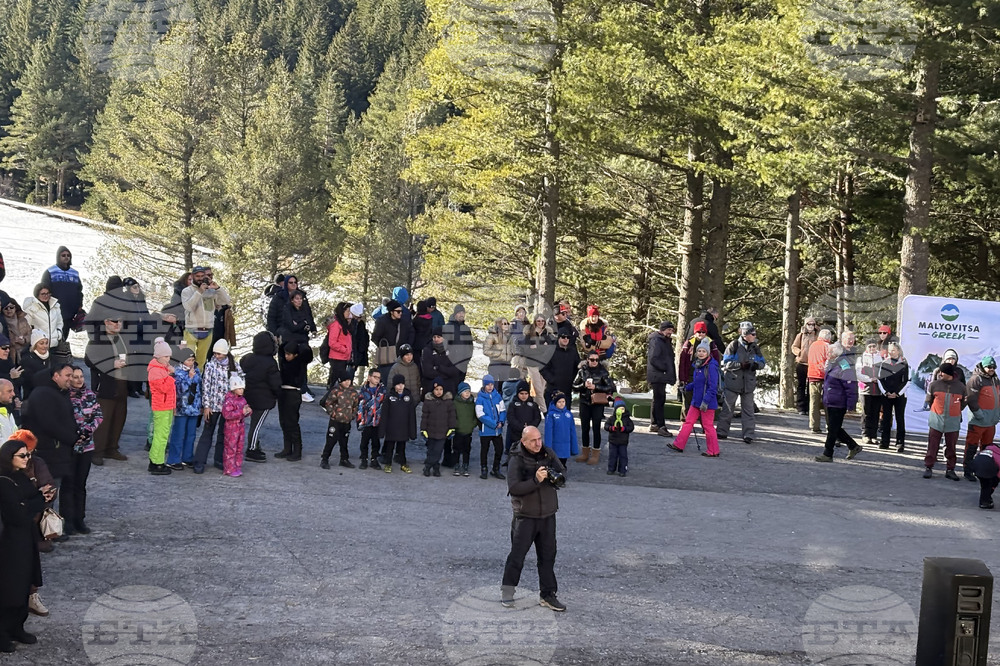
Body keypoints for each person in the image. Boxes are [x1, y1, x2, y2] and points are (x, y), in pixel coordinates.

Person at [501, 425, 566, 612]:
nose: (538, 443)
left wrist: (555, 477)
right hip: (525, 516)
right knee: (517, 557)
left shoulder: (548, 453)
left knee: (548, 557)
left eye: (539, 439)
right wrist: (536, 480)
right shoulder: (516, 459)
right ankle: (507, 592)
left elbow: (563, 473)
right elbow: (514, 488)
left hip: (548, 515)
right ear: (524, 441)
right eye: (533, 441)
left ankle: (548, 595)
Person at [0, 438, 56, 652]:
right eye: (22, 455)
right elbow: (17, 514)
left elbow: (30, 501)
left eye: (28, 455)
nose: (27, 459)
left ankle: (17, 627)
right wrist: (37, 500)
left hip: (25, 539)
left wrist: (42, 497)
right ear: (9, 457)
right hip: (9, 543)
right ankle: (3, 632)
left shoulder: (19, 477)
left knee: (24, 583)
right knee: (9, 587)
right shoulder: (4, 481)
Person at [21, 364, 76, 506]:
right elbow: (50, 424)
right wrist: (72, 438)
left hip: (57, 452)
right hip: (49, 453)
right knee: (47, 496)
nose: (71, 379)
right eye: (68, 376)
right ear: (55, 376)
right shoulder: (43, 395)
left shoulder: (58, 393)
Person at [85, 314, 130, 466]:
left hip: (122, 381)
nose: (118, 324)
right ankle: (97, 451)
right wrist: (111, 363)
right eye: (115, 321)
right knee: (103, 419)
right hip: (105, 384)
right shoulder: (97, 338)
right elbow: (89, 359)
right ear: (106, 322)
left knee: (119, 417)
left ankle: (112, 448)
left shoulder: (122, 337)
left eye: (120, 321)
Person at [667, 339, 721, 457]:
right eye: (699, 351)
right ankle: (678, 444)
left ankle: (713, 451)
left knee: (708, 426)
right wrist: (687, 387)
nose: (701, 353)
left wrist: (706, 401)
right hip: (696, 401)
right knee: (688, 422)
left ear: (708, 353)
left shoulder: (711, 366)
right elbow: (697, 383)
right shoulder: (698, 365)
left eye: (703, 351)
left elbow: (713, 387)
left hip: (707, 403)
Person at [65, 366, 102, 535]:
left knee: (81, 484)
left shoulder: (90, 395)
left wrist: (87, 431)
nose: (79, 380)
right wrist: (75, 434)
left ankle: (80, 519)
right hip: (70, 446)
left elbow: (98, 416)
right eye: (75, 377)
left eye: (81, 376)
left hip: (87, 446)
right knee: (68, 484)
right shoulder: (64, 396)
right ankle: (68, 521)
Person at [813, 343, 863, 463]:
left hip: (838, 402)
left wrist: (851, 404)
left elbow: (850, 386)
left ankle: (828, 453)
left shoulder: (844, 365)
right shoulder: (833, 363)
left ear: (836, 353)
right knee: (833, 427)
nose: (827, 354)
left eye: (829, 352)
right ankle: (853, 446)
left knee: (832, 429)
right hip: (830, 400)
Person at [193, 339, 237, 473]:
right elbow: (206, 387)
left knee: (224, 433)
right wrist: (206, 406)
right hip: (213, 406)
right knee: (207, 433)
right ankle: (199, 461)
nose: (217, 356)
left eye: (220, 354)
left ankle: (219, 459)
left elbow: (240, 382)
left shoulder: (233, 365)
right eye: (215, 353)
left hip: (228, 406)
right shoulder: (211, 366)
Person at [717, 322, 766, 444]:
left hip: (748, 385)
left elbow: (762, 363)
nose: (755, 336)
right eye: (752, 334)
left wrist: (755, 365)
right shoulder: (733, 345)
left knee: (748, 411)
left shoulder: (755, 347)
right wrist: (739, 365)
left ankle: (748, 434)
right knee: (727, 409)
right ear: (745, 334)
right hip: (733, 382)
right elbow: (725, 363)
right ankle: (721, 432)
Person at [239, 331, 281, 463]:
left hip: (248, 397)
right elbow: (275, 383)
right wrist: (278, 395)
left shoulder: (247, 358)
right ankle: (252, 450)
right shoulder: (270, 363)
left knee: (253, 424)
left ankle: (255, 446)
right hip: (264, 400)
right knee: (256, 426)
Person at [181, 266, 231, 370]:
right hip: (191, 329)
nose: (200, 278)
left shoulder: (211, 292)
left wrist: (217, 288)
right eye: (197, 276)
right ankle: (186, 383)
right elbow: (189, 307)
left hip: (207, 329)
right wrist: (199, 291)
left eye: (202, 276)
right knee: (187, 359)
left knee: (201, 362)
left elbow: (226, 301)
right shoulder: (187, 291)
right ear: (193, 277)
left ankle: (198, 383)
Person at [923, 362, 967, 480]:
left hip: (953, 421)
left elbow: (964, 402)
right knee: (932, 445)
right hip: (936, 420)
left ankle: (950, 469)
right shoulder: (934, 385)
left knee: (951, 447)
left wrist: (956, 410)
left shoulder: (961, 387)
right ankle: (928, 467)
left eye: (943, 372)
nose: (940, 374)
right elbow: (929, 400)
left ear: (949, 374)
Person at [572, 352, 615, 466]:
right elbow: (574, 386)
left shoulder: (603, 371)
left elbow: (611, 387)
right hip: (584, 402)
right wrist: (583, 386)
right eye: (592, 359)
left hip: (597, 403)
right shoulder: (582, 371)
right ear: (587, 360)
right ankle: (585, 453)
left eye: (596, 359)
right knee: (584, 428)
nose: (594, 362)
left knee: (596, 428)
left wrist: (596, 387)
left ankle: (596, 453)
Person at [964, 356, 1000, 481]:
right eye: (989, 367)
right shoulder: (975, 379)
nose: (991, 369)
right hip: (978, 421)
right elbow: (971, 399)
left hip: (990, 422)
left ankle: (983, 470)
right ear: (983, 367)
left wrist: (997, 414)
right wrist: (979, 415)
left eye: (993, 367)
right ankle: (968, 470)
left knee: (987, 448)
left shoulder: (995, 379)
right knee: (972, 446)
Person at [277, 341, 313, 462]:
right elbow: (281, 351)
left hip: (293, 393)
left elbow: (307, 353)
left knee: (292, 422)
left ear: (295, 355)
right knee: (283, 421)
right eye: (286, 354)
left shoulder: (299, 363)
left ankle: (297, 451)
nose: (287, 356)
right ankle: (287, 448)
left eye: (290, 354)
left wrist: (298, 342)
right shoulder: (283, 362)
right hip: (283, 392)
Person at [166, 348, 201, 470]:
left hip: (194, 407)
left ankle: (187, 457)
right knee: (178, 433)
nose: (191, 363)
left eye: (192, 360)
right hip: (182, 407)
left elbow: (199, 386)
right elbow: (180, 389)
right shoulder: (178, 372)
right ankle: (173, 459)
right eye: (188, 360)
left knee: (191, 434)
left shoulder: (197, 370)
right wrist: (190, 378)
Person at [39, 246, 83, 341]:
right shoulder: (50, 271)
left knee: (64, 336)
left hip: (69, 312)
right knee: (53, 336)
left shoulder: (75, 273)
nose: (66, 257)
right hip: (54, 310)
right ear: (58, 257)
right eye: (63, 255)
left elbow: (79, 291)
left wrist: (79, 305)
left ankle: (61, 354)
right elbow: (43, 289)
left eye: (68, 255)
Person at [678, 321, 722, 414]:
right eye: (699, 332)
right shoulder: (689, 343)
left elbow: (716, 360)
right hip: (690, 374)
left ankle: (704, 424)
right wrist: (682, 378)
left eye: (703, 332)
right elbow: (683, 362)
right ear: (695, 332)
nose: (701, 334)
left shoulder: (711, 343)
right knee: (688, 399)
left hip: (705, 375)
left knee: (704, 398)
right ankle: (685, 421)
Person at [147, 341, 176, 476]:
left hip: (167, 405)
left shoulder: (161, 368)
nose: (168, 359)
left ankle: (156, 460)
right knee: (161, 435)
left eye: (169, 357)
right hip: (161, 406)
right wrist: (170, 377)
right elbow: (164, 388)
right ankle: (157, 463)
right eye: (165, 357)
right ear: (158, 356)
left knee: (163, 434)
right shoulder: (155, 371)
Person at [320, 370, 360, 469]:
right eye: (345, 380)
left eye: (349, 380)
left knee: (344, 441)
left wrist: (352, 415)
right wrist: (333, 414)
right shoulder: (335, 391)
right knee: (331, 440)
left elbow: (356, 405)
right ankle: (325, 459)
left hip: (347, 421)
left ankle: (344, 459)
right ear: (340, 381)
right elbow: (328, 403)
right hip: (335, 421)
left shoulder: (353, 393)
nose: (347, 382)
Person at [378, 374, 417, 473]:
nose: (400, 386)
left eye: (402, 384)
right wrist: (382, 431)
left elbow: (412, 415)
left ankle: (403, 464)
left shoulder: (408, 397)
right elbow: (384, 415)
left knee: (402, 448)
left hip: (403, 428)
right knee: (389, 447)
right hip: (391, 428)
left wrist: (412, 431)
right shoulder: (389, 397)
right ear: (394, 385)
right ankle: (388, 463)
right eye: (398, 384)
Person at [420, 378, 456, 477]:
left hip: (443, 431)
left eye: (440, 389)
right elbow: (424, 417)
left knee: (438, 451)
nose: (439, 392)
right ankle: (435, 467)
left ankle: (427, 466)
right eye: (436, 389)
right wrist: (423, 429)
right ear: (433, 390)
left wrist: (452, 428)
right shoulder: (428, 402)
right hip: (430, 431)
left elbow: (452, 416)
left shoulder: (448, 402)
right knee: (431, 450)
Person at [646, 321, 676, 437]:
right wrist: (664, 369)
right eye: (669, 330)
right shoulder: (657, 340)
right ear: (663, 329)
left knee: (657, 399)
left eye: (672, 330)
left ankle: (654, 424)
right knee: (659, 400)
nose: (670, 332)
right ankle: (661, 426)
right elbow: (654, 358)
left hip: (659, 374)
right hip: (658, 374)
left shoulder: (664, 340)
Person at [878, 342, 909, 452]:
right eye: (890, 350)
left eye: (893, 350)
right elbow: (880, 379)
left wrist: (897, 393)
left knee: (899, 418)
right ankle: (884, 442)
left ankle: (900, 443)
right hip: (886, 395)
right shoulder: (884, 363)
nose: (891, 352)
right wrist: (886, 392)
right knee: (886, 418)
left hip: (900, 396)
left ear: (898, 351)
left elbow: (906, 381)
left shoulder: (904, 364)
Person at [476, 374, 506, 480]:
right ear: (484, 385)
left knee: (499, 449)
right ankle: (484, 468)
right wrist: (493, 423)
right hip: (486, 429)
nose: (490, 387)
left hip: (497, 430)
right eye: (487, 385)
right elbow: (480, 415)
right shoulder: (480, 398)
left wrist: (501, 421)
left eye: (491, 384)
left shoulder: (497, 396)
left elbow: (502, 410)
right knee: (485, 450)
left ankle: (496, 468)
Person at [371, 300, 411, 379]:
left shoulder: (403, 322)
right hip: (386, 357)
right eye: (398, 311)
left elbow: (408, 335)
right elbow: (375, 337)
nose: (400, 313)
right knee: (386, 380)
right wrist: (386, 348)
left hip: (399, 356)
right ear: (391, 311)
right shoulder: (382, 321)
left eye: (401, 311)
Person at [541, 330, 580, 409]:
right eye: (563, 337)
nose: (565, 339)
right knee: (552, 416)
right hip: (553, 389)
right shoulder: (551, 350)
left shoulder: (573, 351)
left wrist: (572, 379)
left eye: (568, 337)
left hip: (567, 389)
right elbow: (542, 366)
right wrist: (552, 379)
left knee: (566, 415)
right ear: (558, 338)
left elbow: (577, 367)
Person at [356, 369, 385, 470]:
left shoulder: (382, 391)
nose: (377, 380)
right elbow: (360, 407)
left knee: (376, 442)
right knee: (364, 441)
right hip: (366, 421)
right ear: (369, 377)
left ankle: (374, 459)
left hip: (377, 421)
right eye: (375, 377)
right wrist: (360, 421)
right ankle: (364, 459)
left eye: (379, 378)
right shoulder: (363, 391)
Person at [222, 374, 250, 477]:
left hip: (241, 426)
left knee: (239, 447)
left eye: (242, 388)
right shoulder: (229, 401)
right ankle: (229, 468)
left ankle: (237, 466)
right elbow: (227, 414)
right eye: (239, 388)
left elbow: (245, 411)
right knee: (231, 447)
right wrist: (241, 412)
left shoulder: (242, 399)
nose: (241, 390)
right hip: (231, 428)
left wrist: (248, 411)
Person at [506, 381, 541, 461]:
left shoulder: (533, 405)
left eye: (526, 393)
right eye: (521, 393)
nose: (524, 396)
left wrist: (530, 427)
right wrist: (521, 427)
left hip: (529, 434)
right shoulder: (513, 404)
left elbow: (537, 418)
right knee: (515, 453)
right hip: (516, 433)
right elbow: (510, 418)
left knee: (529, 451)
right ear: (518, 393)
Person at [856, 339, 883, 445]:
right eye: (870, 346)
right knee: (866, 413)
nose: (872, 349)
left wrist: (879, 378)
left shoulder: (880, 358)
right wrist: (870, 379)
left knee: (875, 413)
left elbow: (883, 372)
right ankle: (865, 434)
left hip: (877, 390)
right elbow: (858, 374)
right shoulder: (861, 358)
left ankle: (874, 435)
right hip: (865, 390)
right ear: (866, 347)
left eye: (874, 346)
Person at [790, 317, 818, 415]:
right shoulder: (801, 335)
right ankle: (801, 407)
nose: (811, 326)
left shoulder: (817, 335)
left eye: (812, 324)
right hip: (802, 363)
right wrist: (799, 352)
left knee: (811, 386)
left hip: (813, 365)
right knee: (801, 385)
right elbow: (794, 346)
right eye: (809, 324)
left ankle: (810, 407)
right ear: (805, 325)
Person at [421, 328, 462, 396]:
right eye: (434, 337)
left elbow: (455, 371)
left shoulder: (453, 349)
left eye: (439, 337)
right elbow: (427, 372)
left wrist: (439, 368)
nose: (436, 339)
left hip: (449, 388)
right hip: (432, 387)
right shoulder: (427, 350)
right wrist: (446, 374)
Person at [23, 284, 63, 353]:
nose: (46, 296)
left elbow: (59, 322)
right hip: (38, 345)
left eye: (48, 293)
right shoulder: (31, 308)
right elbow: (26, 326)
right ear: (37, 294)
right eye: (43, 294)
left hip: (54, 344)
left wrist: (58, 333)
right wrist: (35, 338)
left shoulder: (55, 306)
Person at [807, 328, 833, 433]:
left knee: (814, 402)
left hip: (812, 375)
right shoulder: (828, 347)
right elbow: (830, 361)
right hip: (823, 377)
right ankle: (830, 425)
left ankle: (814, 426)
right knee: (827, 402)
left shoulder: (813, 345)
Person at [322, 302, 354, 388]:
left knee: (336, 384)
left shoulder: (345, 324)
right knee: (345, 381)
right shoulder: (336, 325)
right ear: (342, 311)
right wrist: (344, 349)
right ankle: (326, 400)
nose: (349, 313)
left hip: (343, 358)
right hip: (336, 358)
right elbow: (332, 342)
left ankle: (328, 400)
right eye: (348, 311)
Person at [544, 391, 578, 466]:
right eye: (559, 402)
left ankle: (563, 474)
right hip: (556, 445)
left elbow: (572, 431)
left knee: (563, 463)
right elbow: (548, 433)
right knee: (556, 464)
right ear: (555, 402)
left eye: (563, 401)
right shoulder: (551, 415)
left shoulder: (568, 414)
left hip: (566, 445)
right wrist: (548, 449)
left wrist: (574, 447)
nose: (562, 403)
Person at [483, 317, 516, 394]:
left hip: (507, 365)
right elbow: (486, 350)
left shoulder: (510, 336)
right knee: (493, 387)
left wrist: (512, 353)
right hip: (495, 364)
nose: (506, 325)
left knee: (505, 388)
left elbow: (514, 349)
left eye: (507, 323)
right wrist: (499, 353)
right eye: (504, 323)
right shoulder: (492, 335)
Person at [605, 396, 635, 476]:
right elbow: (606, 426)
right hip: (613, 441)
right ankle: (611, 469)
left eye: (623, 409)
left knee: (623, 456)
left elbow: (631, 427)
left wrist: (625, 429)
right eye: (619, 409)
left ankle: (622, 470)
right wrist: (611, 428)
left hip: (623, 442)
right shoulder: (612, 419)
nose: (621, 411)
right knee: (612, 456)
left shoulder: (627, 419)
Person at [443, 305, 474, 383]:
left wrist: (468, 358)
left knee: (460, 386)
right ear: (455, 314)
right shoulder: (447, 327)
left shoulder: (466, 329)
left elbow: (470, 346)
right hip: (451, 364)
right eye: (459, 312)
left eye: (463, 312)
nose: (461, 314)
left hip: (463, 363)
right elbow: (444, 346)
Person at [452, 382, 477, 476]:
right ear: (460, 392)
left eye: (469, 391)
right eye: (465, 391)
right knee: (456, 449)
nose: (467, 393)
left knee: (467, 449)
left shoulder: (472, 404)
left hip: (468, 431)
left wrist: (472, 424)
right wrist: (456, 424)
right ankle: (456, 465)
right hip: (458, 431)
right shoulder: (455, 403)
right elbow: (452, 416)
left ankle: (466, 465)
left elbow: (475, 416)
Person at [19, 331, 51, 400]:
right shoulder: (27, 360)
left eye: (46, 343)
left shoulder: (51, 358)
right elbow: (27, 381)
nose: (45, 346)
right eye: (41, 343)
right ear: (35, 344)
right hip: (32, 397)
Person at [972, 443, 1000, 509]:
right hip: (987, 468)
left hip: (976, 467)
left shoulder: (984, 451)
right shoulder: (997, 455)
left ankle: (986, 498)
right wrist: (996, 480)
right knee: (988, 485)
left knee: (985, 484)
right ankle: (985, 502)